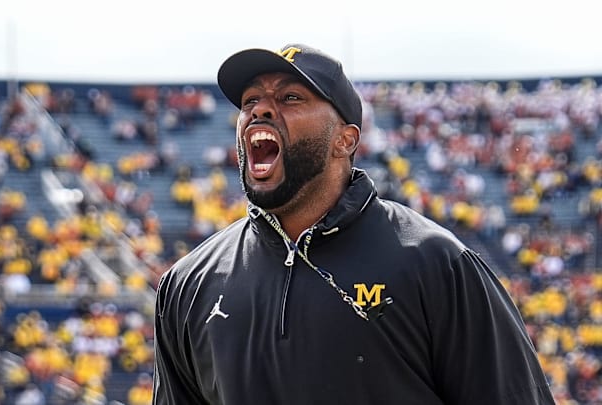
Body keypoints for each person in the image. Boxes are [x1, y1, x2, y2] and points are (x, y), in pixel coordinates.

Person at [153, 43, 554, 404]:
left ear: (345, 140)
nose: (260, 109)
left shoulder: (436, 263)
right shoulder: (188, 285)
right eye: (250, 101)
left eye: (290, 97)